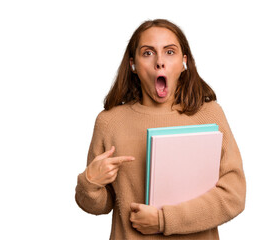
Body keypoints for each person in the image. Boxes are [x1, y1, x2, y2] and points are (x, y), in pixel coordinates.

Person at [75, 19, 246, 239]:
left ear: (184, 62)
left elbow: (234, 196)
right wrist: (90, 182)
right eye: (147, 53)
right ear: (132, 65)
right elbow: (100, 205)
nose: (159, 62)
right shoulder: (109, 122)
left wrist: (163, 220)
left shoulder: (209, 114)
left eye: (169, 52)